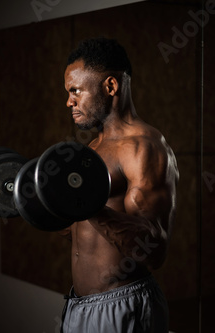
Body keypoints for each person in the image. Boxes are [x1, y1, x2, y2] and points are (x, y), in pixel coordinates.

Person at [59, 37, 179, 333]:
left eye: (75, 91)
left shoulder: (143, 148)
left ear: (110, 87)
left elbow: (154, 250)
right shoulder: (94, 147)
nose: (68, 101)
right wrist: (32, 203)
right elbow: (81, 230)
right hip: (78, 306)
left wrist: (88, 205)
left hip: (122, 306)